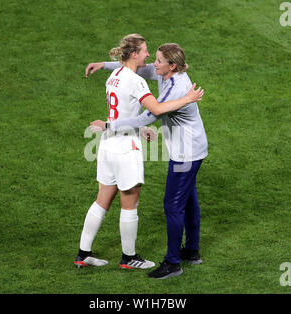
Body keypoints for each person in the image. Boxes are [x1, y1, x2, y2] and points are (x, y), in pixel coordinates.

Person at [75, 35, 204, 271]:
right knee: (130, 203)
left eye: (157, 59)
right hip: (125, 147)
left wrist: (103, 65)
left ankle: (83, 253)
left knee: (102, 200)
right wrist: (188, 99)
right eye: (147, 53)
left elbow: (128, 107)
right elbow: (153, 111)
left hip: (106, 145)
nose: (150, 59)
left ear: (171, 66)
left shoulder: (115, 77)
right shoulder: (139, 81)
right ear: (134, 54)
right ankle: (129, 257)